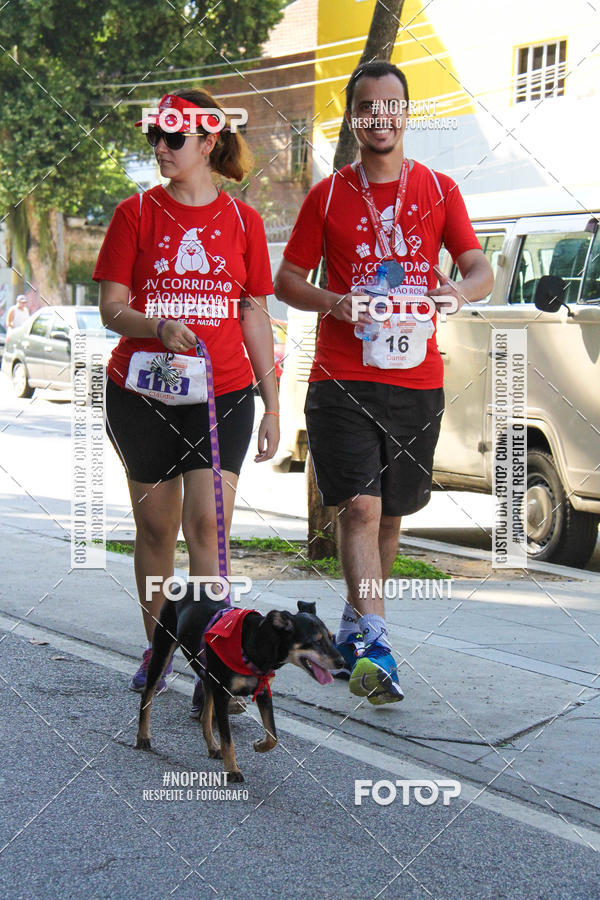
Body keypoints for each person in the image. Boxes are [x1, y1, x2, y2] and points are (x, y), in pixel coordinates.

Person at [274, 61, 493, 705]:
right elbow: (288, 280)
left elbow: (478, 267)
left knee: (392, 517)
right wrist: (335, 302)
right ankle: (376, 647)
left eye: (389, 106)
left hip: (417, 380)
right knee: (361, 508)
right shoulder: (330, 195)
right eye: (365, 108)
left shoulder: (439, 190)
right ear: (354, 117)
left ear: (404, 114)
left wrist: (457, 291)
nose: (378, 119)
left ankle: (350, 626)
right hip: (342, 378)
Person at [94, 90, 280, 704]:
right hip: (141, 392)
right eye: (157, 136)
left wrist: (272, 403)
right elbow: (111, 309)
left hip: (222, 391)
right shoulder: (135, 214)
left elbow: (253, 314)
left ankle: (215, 659)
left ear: (208, 143)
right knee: (156, 527)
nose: (161, 148)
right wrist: (157, 327)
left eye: (175, 138)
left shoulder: (243, 222)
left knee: (209, 524)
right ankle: (160, 649)